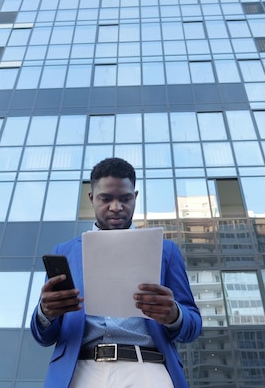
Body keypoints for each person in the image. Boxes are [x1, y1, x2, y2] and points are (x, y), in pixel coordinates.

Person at [30, 157, 202, 388]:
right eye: (106, 198)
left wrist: (174, 315)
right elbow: (44, 336)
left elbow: (193, 325)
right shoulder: (65, 252)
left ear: (135, 197)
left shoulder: (165, 250)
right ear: (91, 198)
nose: (116, 207)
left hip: (148, 369)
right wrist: (45, 312)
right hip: (79, 371)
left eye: (125, 198)